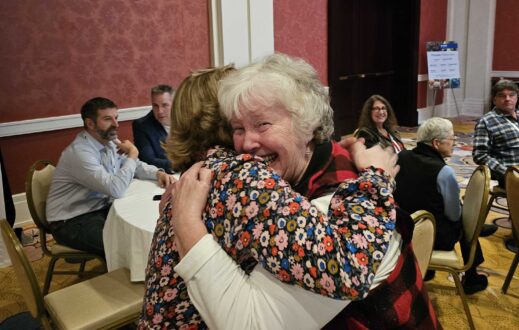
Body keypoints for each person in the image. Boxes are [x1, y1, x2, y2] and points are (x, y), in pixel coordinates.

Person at [140, 54, 439, 329]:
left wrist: (186, 223)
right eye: (238, 127)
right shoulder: (251, 178)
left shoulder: (343, 196)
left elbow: (346, 267)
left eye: (263, 123)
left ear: (307, 124)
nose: (245, 145)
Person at [46, 97, 175, 257]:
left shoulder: (109, 141)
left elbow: (133, 166)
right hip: (72, 221)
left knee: (145, 230)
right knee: (132, 248)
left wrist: (157, 173)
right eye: (108, 119)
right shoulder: (80, 153)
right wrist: (133, 154)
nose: (116, 124)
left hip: (99, 208)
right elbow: (116, 189)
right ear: (90, 123)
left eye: (116, 118)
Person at [394, 117, 494, 294]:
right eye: (452, 138)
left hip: (402, 228)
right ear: (436, 143)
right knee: (462, 219)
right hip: (431, 236)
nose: (454, 143)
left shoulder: (401, 157)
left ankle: (428, 270)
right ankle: (471, 277)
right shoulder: (444, 172)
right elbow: (453, 215)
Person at [473, 79, 519, 188]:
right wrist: (508, 172)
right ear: (494, 100)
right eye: (502, 96)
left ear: (517, 97)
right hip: (512, 175)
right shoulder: (486, 122)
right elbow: (480, 155)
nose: (507, 99)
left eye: (511, 95)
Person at [132, 84, 174, 173]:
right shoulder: (142, 126)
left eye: (164, 105)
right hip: (164, 175)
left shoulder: (187, 119)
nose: (160, 111)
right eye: (155, 106)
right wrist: (180, 164)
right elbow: (148, 160)